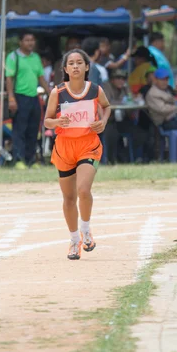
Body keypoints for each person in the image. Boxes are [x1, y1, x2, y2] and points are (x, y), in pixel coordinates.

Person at [44, 49, 110, 261]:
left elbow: (107, 107)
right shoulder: (58, 92)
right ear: (65, 69)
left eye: (79, 62)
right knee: (69, 197)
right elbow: (47, 120)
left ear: (87, 67)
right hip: (64, 148)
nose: (75, 66)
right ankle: (74, 240)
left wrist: (103, 121)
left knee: (83, 189)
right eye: (70, 63)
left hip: (88, 144)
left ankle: (86, 230)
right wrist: (57, 122)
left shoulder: (95, 90)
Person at [6, 32, 50, 170]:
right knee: (20, 129)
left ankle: (31, 159)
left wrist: (50, 92)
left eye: (32, 40)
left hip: (34, 97)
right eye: (27, 40)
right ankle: (19, 159)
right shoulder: (13, 57)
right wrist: (11, 98)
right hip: (19, 96)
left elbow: (41, 77)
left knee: (33, 129)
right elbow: (9, 78)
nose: (30, 43)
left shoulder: (36, 57)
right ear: (20, 42)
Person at [103, 70, 146, 164]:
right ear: (112, 79)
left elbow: (130, 101)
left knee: (140, 134)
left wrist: (134, 100)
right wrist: (122, 102)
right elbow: (107, 103)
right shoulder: (106, 87)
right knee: (111, 135)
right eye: (118, 78)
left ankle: (128, 158)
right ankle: (111, 161)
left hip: (123, 120)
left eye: (123, 79)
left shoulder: (125, 88)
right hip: (109, 120)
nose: (121, 81)